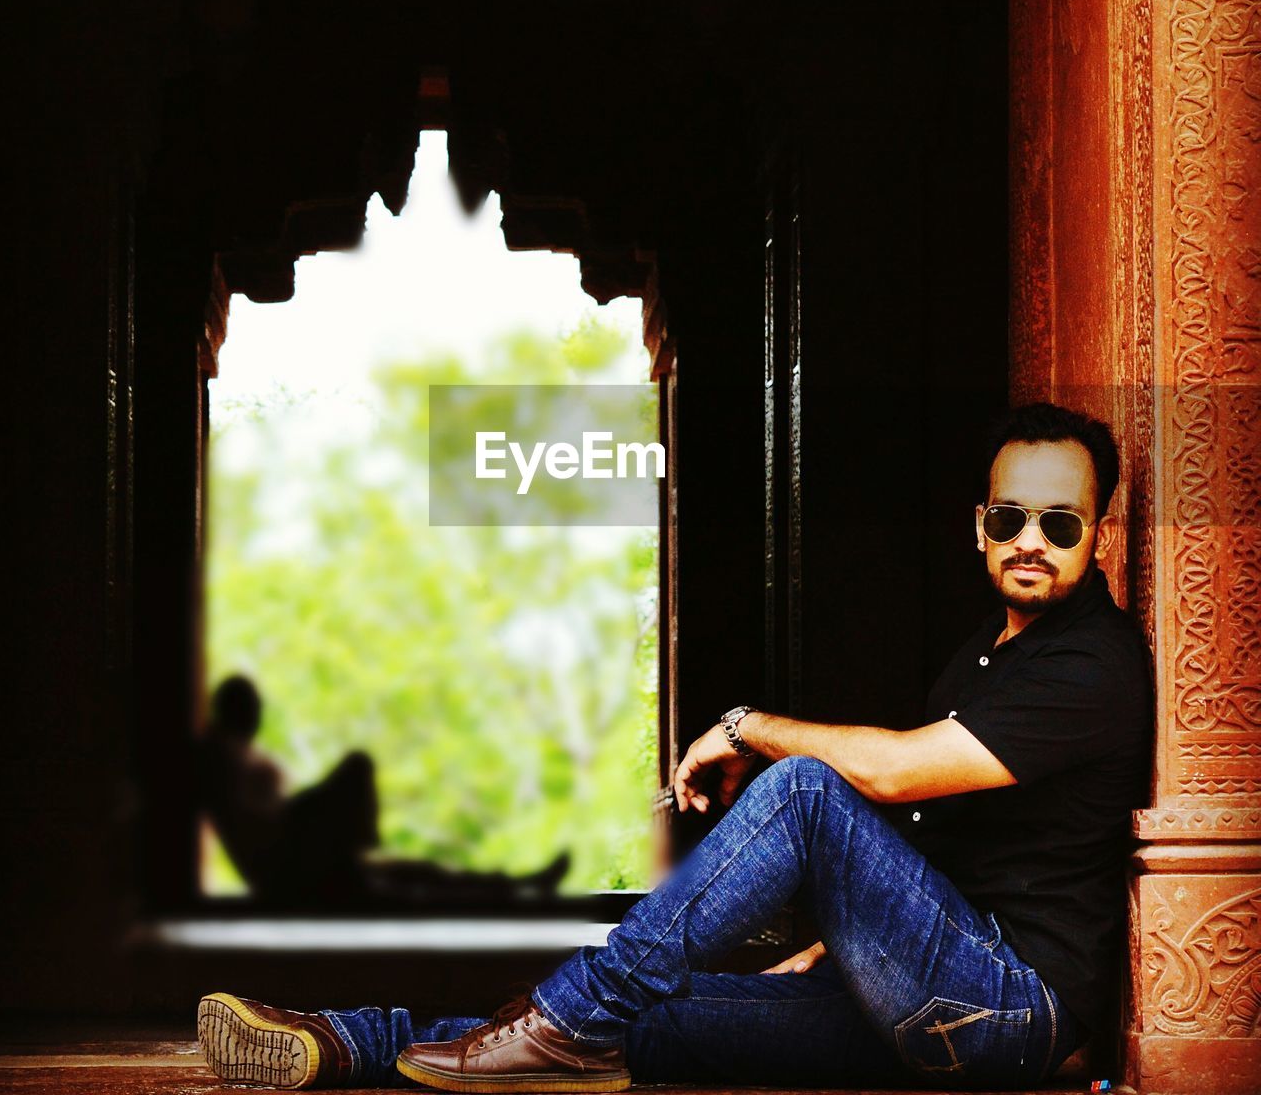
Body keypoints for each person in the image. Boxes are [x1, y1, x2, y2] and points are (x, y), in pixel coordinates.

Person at [196, 401, 1153, 1090]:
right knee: (653, 1022)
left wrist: (746, 727)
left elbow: (897, 771)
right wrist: (843, 943)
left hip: (1005, 1013)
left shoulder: (1093, 666)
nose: (1031, 540)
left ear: (1099, 532)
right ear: (978, 528)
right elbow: (948, 843)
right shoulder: (987, 655)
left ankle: (569, 1013)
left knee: (807, 794)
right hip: (933, 996)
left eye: (1059, 522)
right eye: (1009, 518)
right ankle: (350, 1043)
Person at [198, 675, 569, 910]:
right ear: (237, 711)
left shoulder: (231, 754)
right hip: (288, 870)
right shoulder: (219, 754)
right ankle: (516, 888)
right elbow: (261, 825)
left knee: (417, 875)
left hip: (301, 864)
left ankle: (518, 886)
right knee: (358, 768)